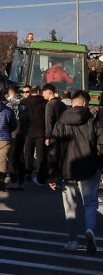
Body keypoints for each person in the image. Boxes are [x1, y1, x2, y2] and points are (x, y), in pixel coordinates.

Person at [45, 90, 103, 254]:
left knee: (70, 206)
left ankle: (72, 241)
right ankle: (90, 230)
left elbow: (54, 148)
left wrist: (51, 172)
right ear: (85, 103)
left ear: (73, 102)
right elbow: (101, 144)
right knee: (90, 203)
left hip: (66, 169)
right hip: (89, 168)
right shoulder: (92, 121)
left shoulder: (61, 121)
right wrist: (99, 164)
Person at [24, 84, 49, 184]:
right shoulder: (44, 103)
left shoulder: (26, 102)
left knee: (28, 153)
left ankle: (28, 173)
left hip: (28, 130)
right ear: (39, 92)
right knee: (40, 154)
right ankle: (39, 173)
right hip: (40, 130)